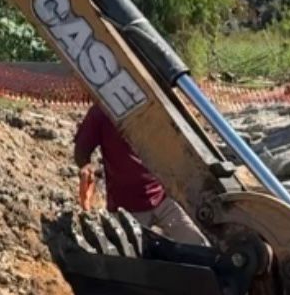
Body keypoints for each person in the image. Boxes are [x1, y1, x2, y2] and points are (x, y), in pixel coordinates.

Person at [75, 102, 209, 246]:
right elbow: (81, 150)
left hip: (164, 197)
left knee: (197, 241)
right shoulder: (102, 112)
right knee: (132, 260)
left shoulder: (156, 107)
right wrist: (86, 166)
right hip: (126, 206)